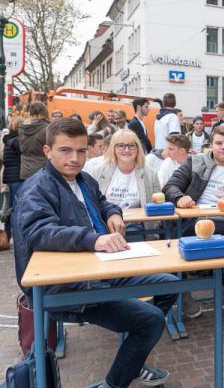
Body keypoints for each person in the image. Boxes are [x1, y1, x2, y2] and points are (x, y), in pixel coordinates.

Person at [13, 118, 176, 388]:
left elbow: (104, 202)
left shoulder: (84, 178)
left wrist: (112, 213)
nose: (75, 158)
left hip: (104, 269)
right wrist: (94, 239)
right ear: (47, 151)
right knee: (151, 319)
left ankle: (132, 353)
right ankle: (116, 380)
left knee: (172, 283)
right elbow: (39, 232)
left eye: (81, 151)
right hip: (68, 285)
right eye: (65, 150)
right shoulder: (37, 188)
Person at [163, 126, 224, 235]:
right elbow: (170, 186)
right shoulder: (194, 162)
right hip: (196, 220)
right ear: (211, 145)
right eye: (219, 143)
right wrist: (179, 198)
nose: (223, 147)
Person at [88, 130, 161, 237]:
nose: (127, 150)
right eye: (121, 146)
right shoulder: (98, 171)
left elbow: (157, 206)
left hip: (137, 228)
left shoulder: (150, 174)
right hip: (105, 226)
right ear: (113, 148)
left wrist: (154, 234)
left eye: (131, 146)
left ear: (138, 148)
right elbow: (90, 202)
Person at [2, 116, 25, 239]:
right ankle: (16, 235)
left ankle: (7, 233)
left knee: (11, 206)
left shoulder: (8, 140)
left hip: (10, 178)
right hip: (18, 176)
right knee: (17, 207)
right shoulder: (18, 141)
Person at [19, 101, 51, 179]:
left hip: (26, 169)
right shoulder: (47, 128)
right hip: (43, 168)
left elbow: (21, 147)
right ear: (45, 111)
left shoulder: (22, 128)